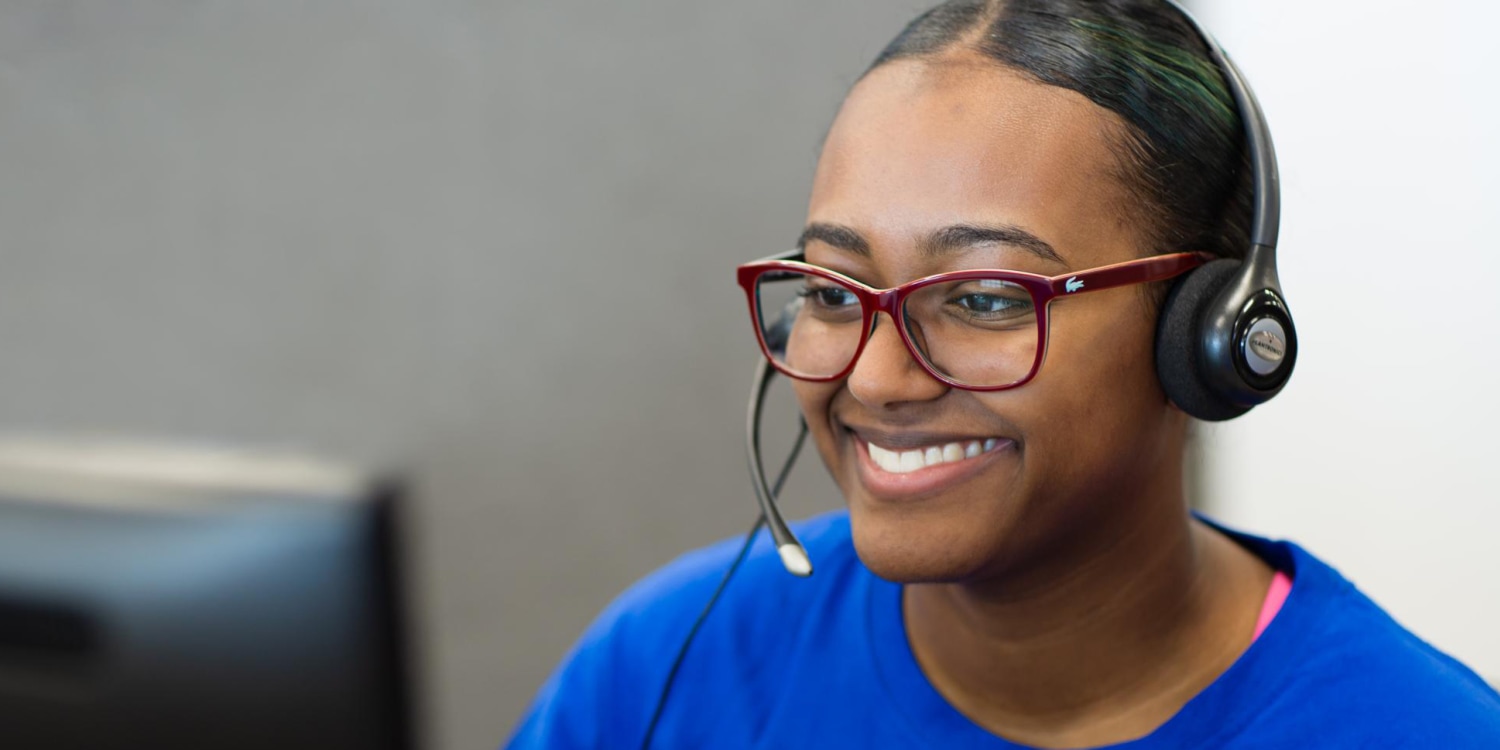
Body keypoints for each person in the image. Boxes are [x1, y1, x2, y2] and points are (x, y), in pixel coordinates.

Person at [506, 1, 1500, 747]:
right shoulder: (667, 666)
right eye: (836, 290)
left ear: (1208, 337)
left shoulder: (1415, 728)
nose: (881, 381)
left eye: (984, 298)